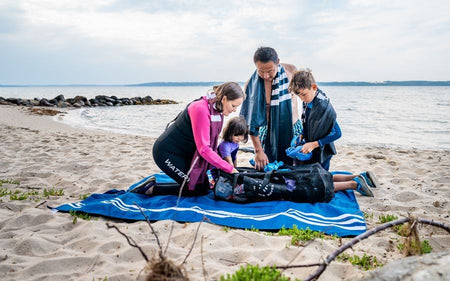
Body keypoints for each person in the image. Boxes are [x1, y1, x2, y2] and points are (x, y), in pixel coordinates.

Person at [132, 82, 245, 196]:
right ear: (224, 99)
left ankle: (154, 186)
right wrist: (229, 168)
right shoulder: (201, 108)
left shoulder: (217, 111)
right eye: (233, 105)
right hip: (166, 153)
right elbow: (204, 149)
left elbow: (212, 147)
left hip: (184, 153)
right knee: (197, 189)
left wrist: (221, 168)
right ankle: (151, 188)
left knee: (204, 186)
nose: (234, 110)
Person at [240, 46, 302, 170]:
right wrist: (258, 151)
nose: (266, 75)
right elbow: (251, 122)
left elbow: (308, 95)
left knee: (297, 171)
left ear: (277, 62)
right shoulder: (251, 86)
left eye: (270, 70)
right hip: (267, 132)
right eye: (261, 71)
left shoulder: (292, 71)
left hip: (294, 128)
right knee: (268, 170)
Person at [288, 69, 341, 171]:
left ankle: (356, 181)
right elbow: (308, 122)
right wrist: (301, 134)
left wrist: (314, 144)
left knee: (322, 178)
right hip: (312, 148)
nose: (301, 99)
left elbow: (337, 133)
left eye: (303, 94)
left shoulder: (323, 107)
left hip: (323, 150)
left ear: (314, 87)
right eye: (298, 95)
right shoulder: (308, 99)